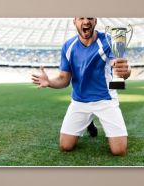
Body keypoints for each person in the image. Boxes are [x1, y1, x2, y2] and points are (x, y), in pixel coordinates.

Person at [31, 17, 131, 156]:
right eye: (81, 18)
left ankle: (91, 120)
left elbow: (121, 68)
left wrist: (126, 71)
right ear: (74, 21)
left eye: (90, 18)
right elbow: (64, 79)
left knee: (119, 150)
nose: (86, 21)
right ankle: (88, 121)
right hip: (79, 102)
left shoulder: (110, 40)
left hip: (105, 100)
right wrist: (49, 82)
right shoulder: (68, 46)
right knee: (65, 146)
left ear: (95, 21)